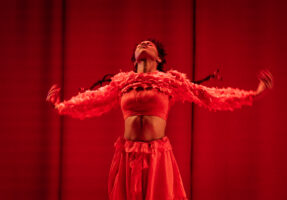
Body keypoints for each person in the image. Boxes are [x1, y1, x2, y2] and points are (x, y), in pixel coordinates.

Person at [46, 39, 273, 200]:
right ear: (133, 58)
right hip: (127, 155)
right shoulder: (121, 82)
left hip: (157, 156)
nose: (144, 44)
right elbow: (92, 99)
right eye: (140, 44)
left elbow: (209, 96)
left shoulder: (171, 81)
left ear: (160, 58)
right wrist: (61, 106)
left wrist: (253, 94)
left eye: (150, 44)